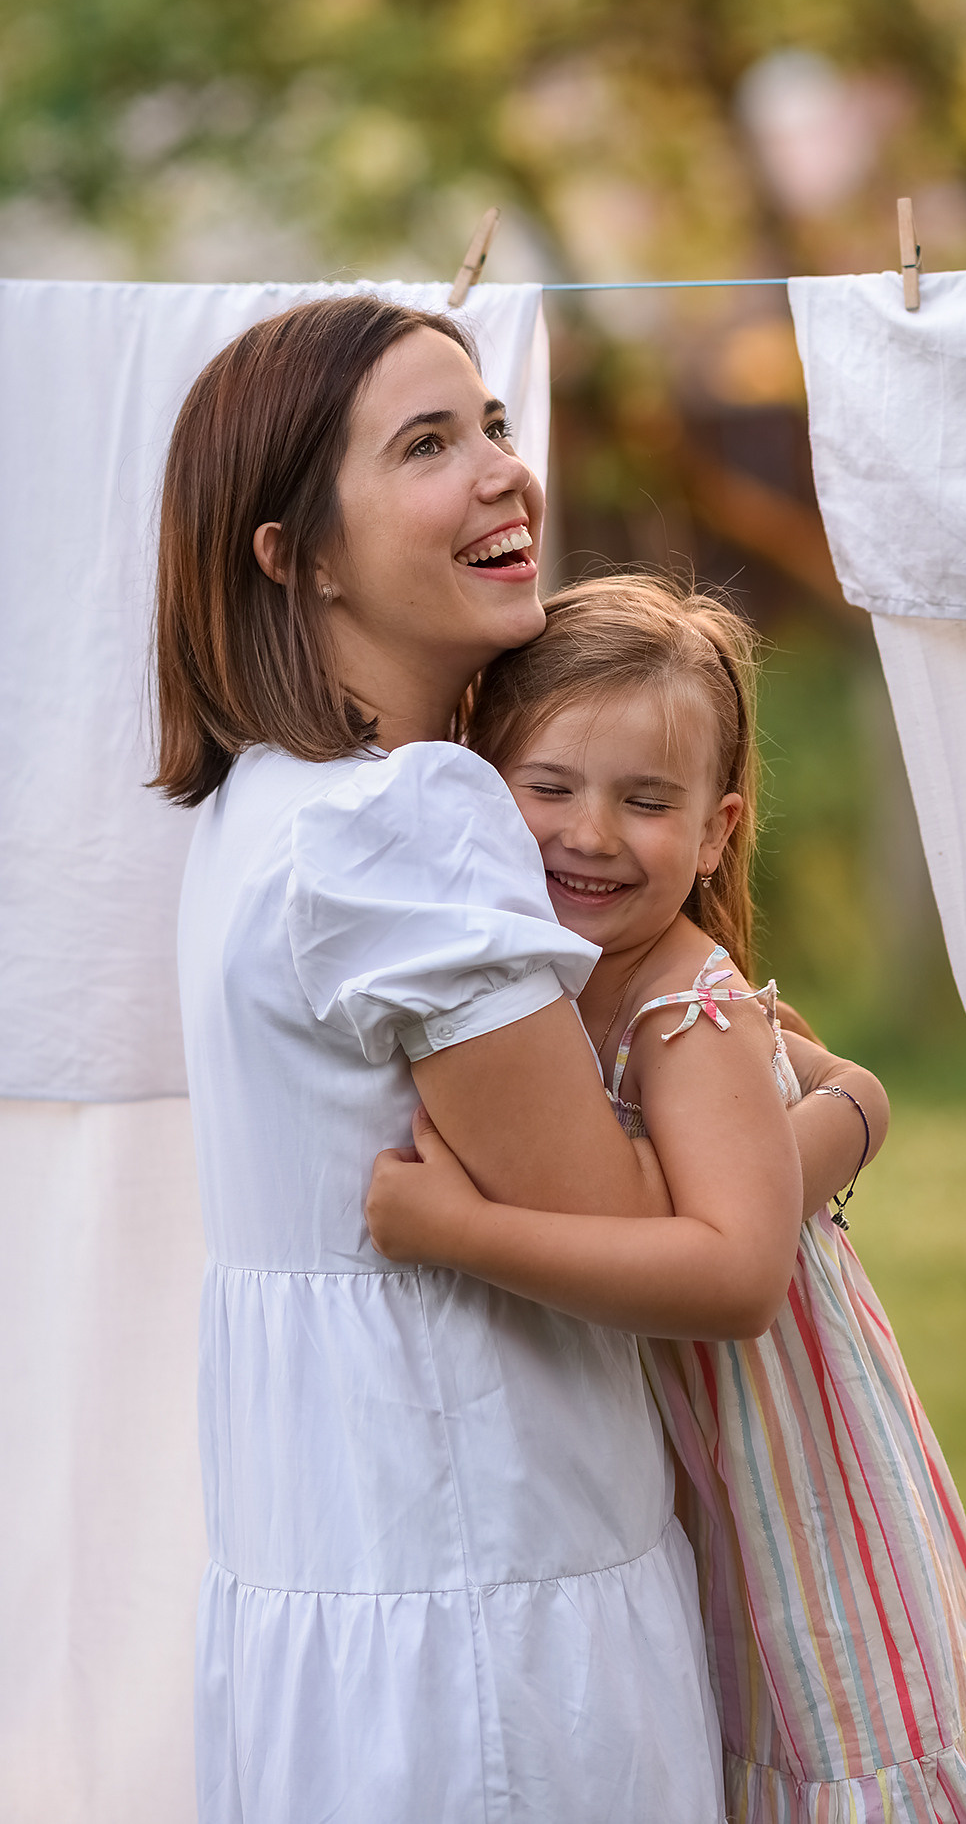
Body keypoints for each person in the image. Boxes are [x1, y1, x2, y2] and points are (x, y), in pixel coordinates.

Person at [153, 298, 735, 1823]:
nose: (505, 473)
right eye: (428, 444)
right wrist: (839, 1113)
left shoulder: (262, 808)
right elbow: (633, 1234)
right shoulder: (402, 817)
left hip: (345, 1586)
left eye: (491, 424)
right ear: (300, 554)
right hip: (488, 1609)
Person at [367, 575, 966, 1824]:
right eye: (549, 787)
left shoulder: (681, 1003)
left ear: (718, 825)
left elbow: (735, 1281)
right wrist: (849, 1108)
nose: (588, 833)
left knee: (822, 1725)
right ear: (478, 785)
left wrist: (456, 1232)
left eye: (645, 801)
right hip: (670, 1448)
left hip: (776, 1448)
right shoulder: (543, 981)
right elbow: (823, 1096)